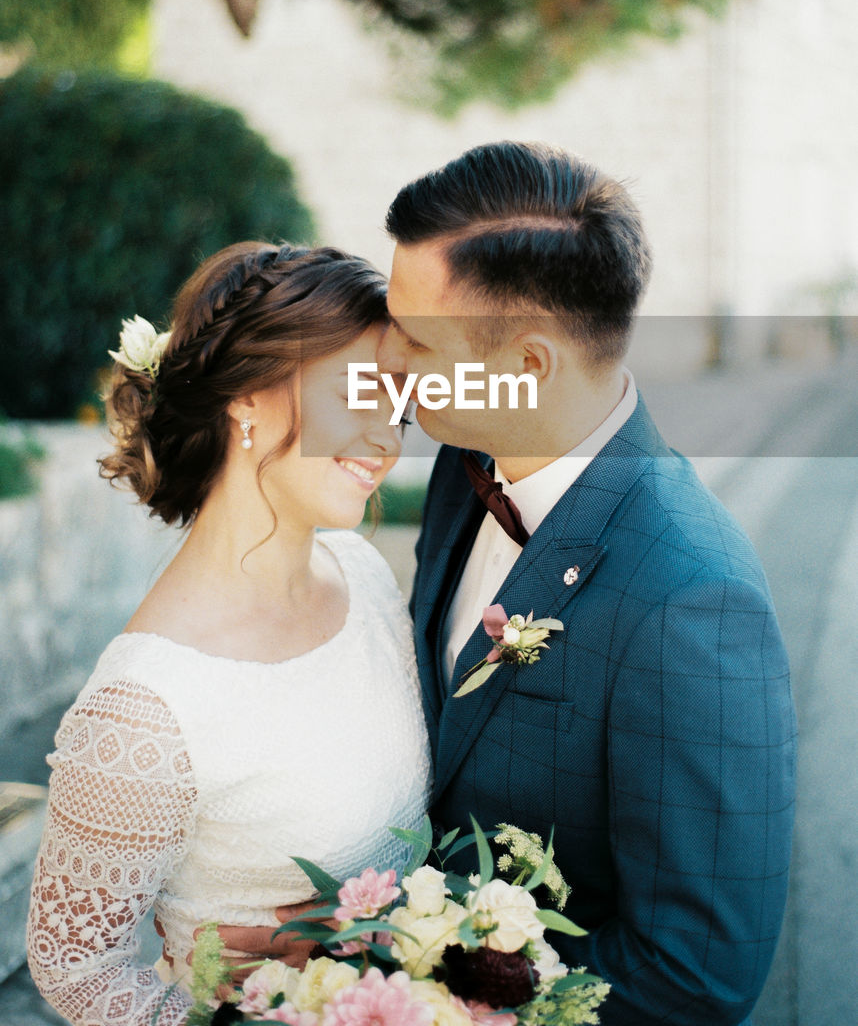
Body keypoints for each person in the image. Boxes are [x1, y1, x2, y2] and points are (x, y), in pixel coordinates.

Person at [378, 141, 797, 1023]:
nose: (387, 360)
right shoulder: (465, 467)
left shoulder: (693, 600)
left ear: (527, 367)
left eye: (416, 340)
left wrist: (433, 1004)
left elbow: (695, 974)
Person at [27, 241, 431, 1026]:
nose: (388, 439)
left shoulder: (367, 576)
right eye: (359, 393)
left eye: (399, 405)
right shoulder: (145, 709)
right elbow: (78, 968)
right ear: (245, 395)